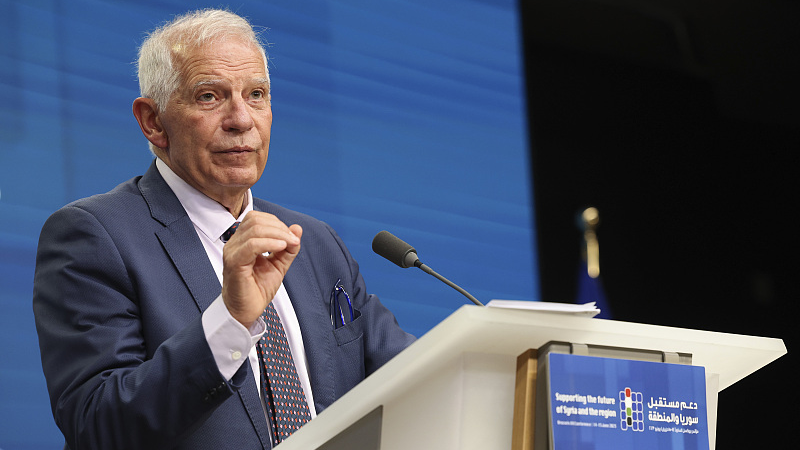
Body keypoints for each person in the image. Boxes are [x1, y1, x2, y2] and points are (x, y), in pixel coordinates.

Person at [32, 8, 414, 450]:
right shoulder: (94, 237)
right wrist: (230, 320)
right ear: (153, 121)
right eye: (210, 96)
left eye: (256, 94)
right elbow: (97, 424)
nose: (241, 119)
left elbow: (412, 374)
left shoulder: (314, 242)